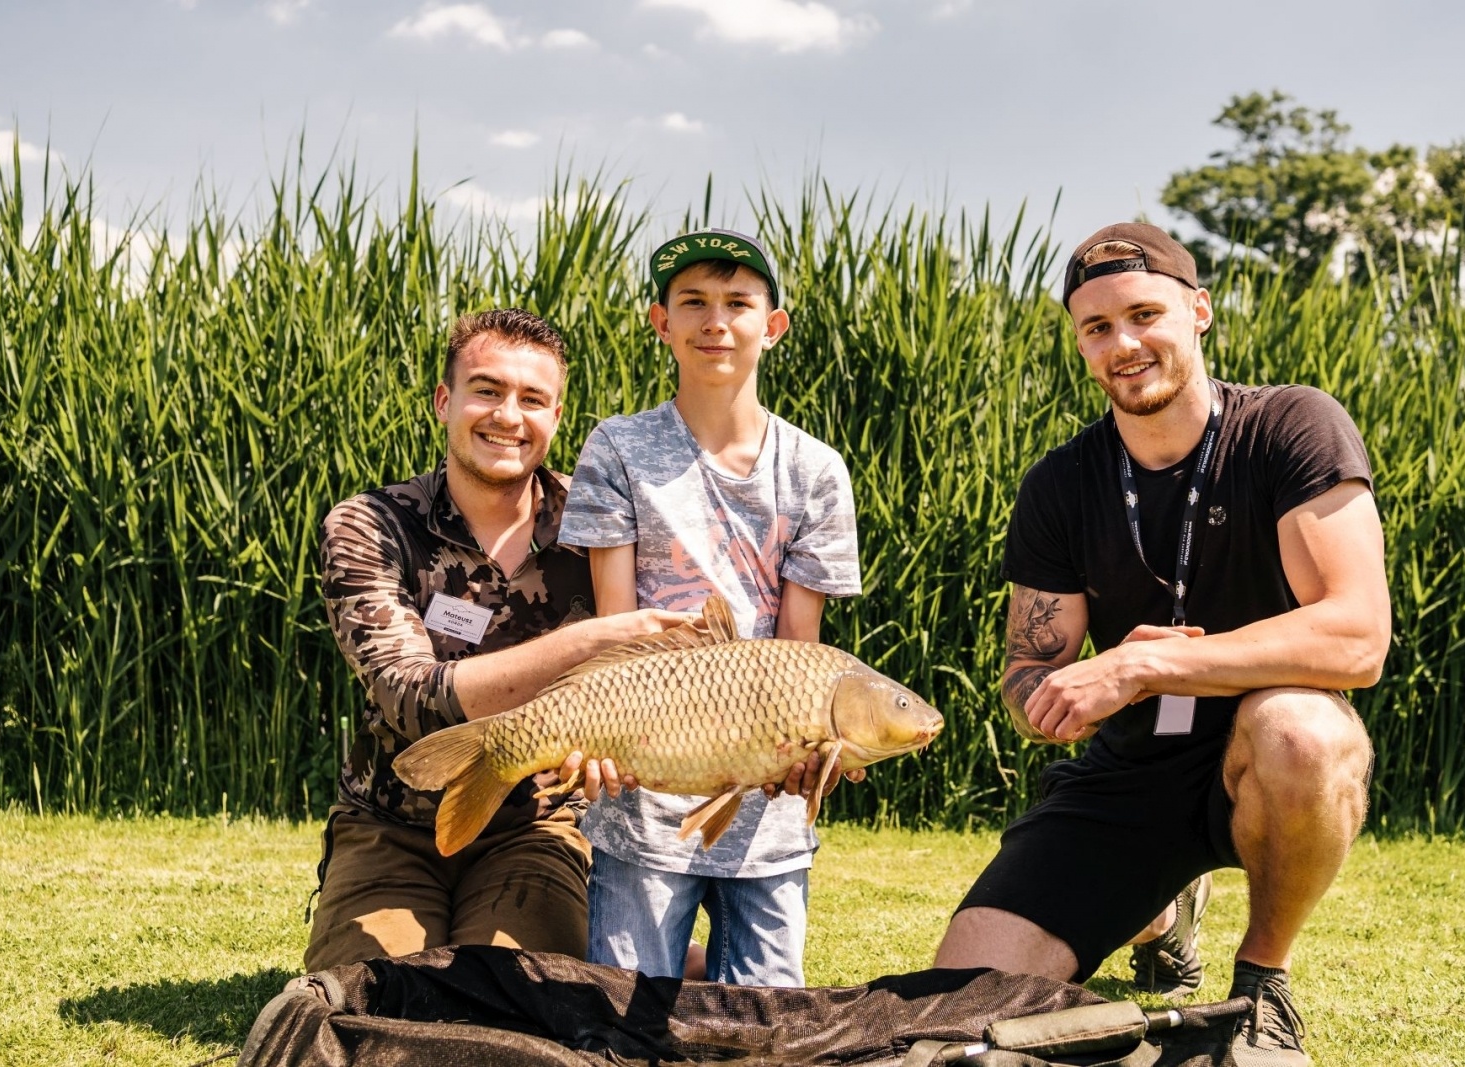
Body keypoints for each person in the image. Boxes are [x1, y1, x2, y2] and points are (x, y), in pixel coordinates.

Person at [933, 223, 1388, 1066]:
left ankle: (1261, 981)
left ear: (1199, 309)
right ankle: (1161, 911)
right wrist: (1050, 703)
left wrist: (1146, 662)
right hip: (1132, 767)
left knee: (1302, 730)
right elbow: (1027, 668)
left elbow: (1357, 635)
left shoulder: (1291, 426)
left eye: (1144, 314)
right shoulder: (1061, 484)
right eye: (1096, 328)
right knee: (959, 1009)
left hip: (1264, 748)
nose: (1124, 343)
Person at [304, 308, 695, 972]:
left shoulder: (600, 527)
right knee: (379, 999)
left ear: (557, 415)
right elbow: (409, 696)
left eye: (532, 399)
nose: (508, 416)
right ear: (444, 401)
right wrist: (585, 642)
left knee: (511, 996)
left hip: (536, 826)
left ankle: (648, 963)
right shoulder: (370, 525)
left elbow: (662, 675)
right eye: (487, 389)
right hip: (392, 826)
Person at [557, 228, 863, 986]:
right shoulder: (617, 448)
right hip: (640, 803)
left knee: (766, 1031)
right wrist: (594, 738)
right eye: (692, 302)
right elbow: (614, 636)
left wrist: (810, 755)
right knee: (622, 1022)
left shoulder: (816, 470)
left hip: (769, 814)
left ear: (773, 324)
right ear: (661, 322)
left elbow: (802, 652)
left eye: (737, 303)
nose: (715, 321)